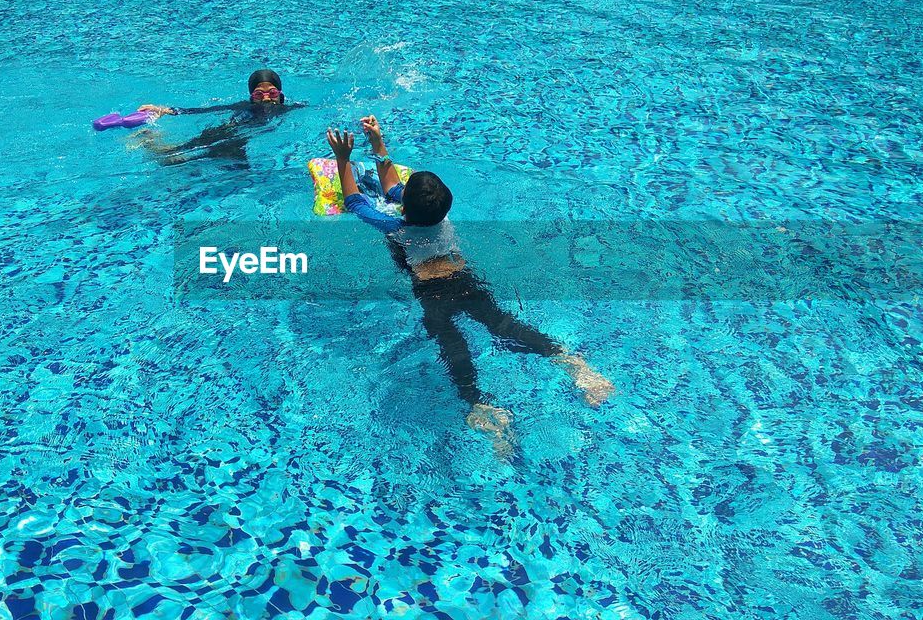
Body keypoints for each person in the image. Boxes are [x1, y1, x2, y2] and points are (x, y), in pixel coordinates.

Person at [326, 116, 614, 457]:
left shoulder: (395, 229)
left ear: (405, 207)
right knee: (503, 324)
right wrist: (378, 143)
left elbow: (356, 202)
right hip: (464, 279)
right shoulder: (443, 216)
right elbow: (393, 188)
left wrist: (343, 160)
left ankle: (478, 403)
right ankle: (569, 361)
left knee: (451, 343)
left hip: (432, 293)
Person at [132, 68, 305, 167]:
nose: (267, 98)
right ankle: (147, 138)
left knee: (240, 172)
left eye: (272, 93)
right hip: (222, 134)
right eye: (259, 94)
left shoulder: (287, 109)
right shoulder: (243, 107)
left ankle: (150, 140)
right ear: (252, 97)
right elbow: (204, 110)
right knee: (169, 159)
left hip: (239, 140)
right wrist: (164, 110)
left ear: (280, 94)